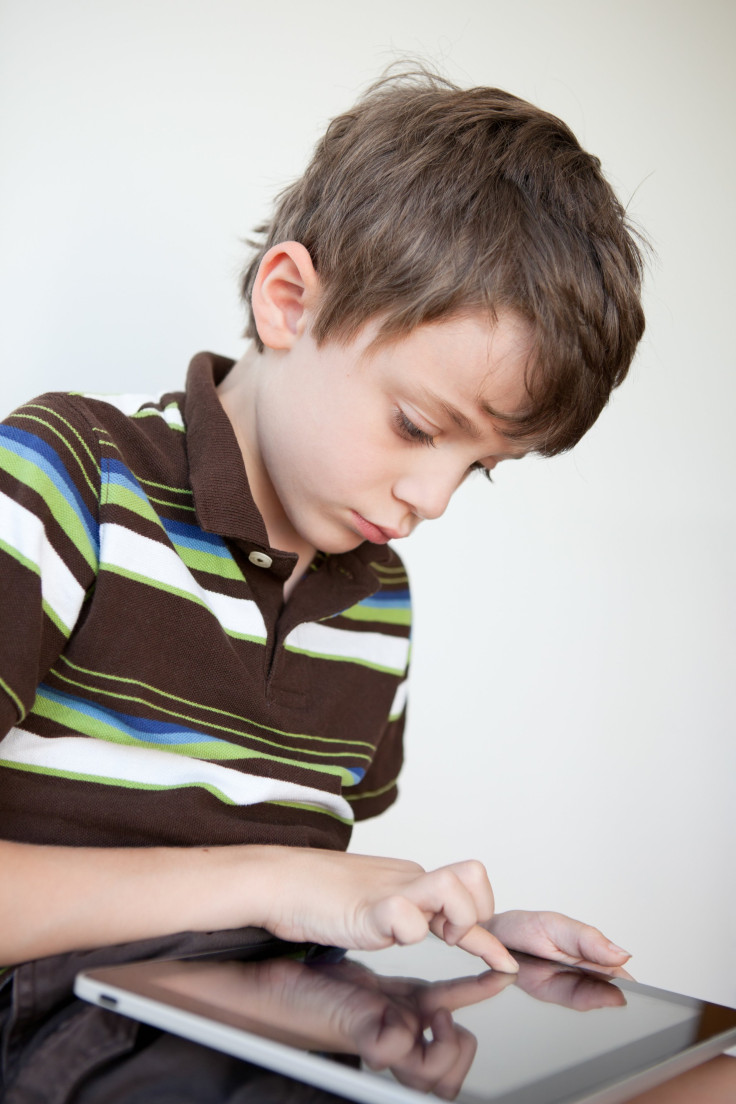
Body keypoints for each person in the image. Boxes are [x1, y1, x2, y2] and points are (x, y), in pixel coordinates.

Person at [0, 68, 644, 974]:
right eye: (417, 426)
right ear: (290, 302)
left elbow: (296, 922)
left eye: (481, 470)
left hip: (260, 1032)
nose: (434, 499)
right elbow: (278, 891)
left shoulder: (378, 602)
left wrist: (439, 933)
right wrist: (270, 879)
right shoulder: (69, 475)